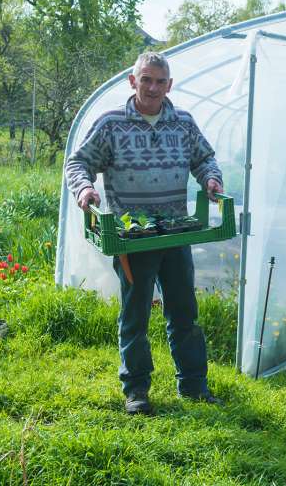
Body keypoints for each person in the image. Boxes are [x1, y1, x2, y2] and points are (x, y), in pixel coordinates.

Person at [65, 51, 223, 415]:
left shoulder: (183, 124)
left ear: (170, 85)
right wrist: (84, 189)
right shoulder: (111, 125)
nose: (152, 87)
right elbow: (79, 162)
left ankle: (194, 386)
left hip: (175, 232)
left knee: (184, 312)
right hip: (132, 236)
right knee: (135, 315)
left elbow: (204, 158)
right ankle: (136, 390)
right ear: (133, 81)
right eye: (146, 79)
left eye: (160, 81)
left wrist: (211, 178)